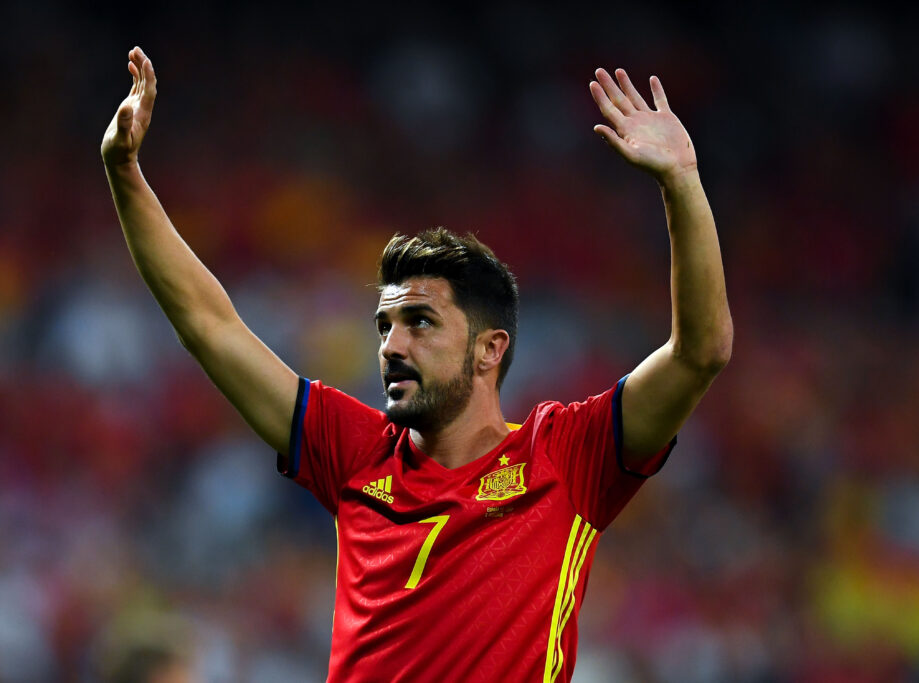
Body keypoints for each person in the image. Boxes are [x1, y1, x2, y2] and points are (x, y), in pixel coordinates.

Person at [101, 46, 732, 682]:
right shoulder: (354, 453)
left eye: (420, 323)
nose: (391, 346)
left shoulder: (566, 456)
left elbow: (700, 352)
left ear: (490, 349)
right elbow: (210, 326)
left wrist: (682, 183)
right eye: (385, 326)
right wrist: (125, 173)